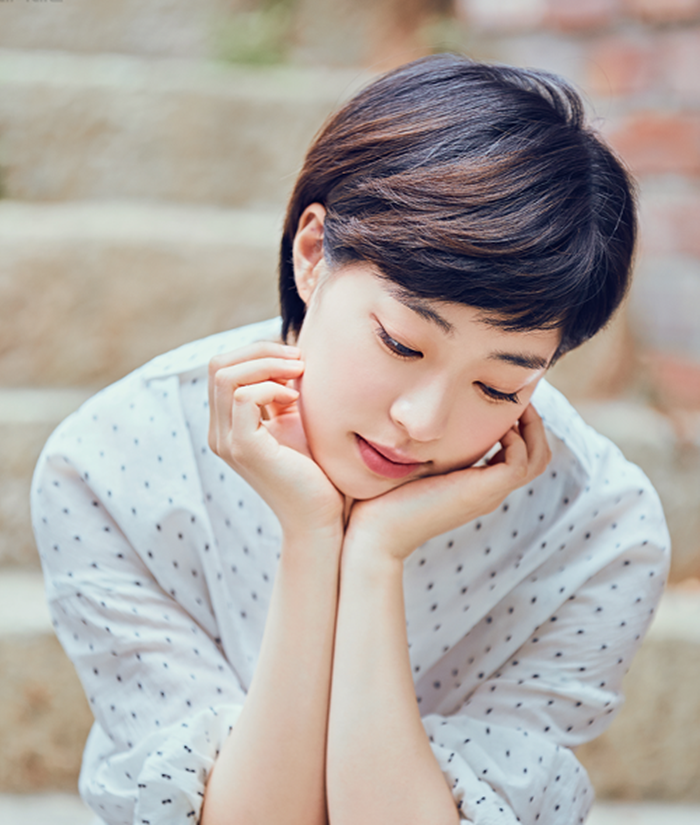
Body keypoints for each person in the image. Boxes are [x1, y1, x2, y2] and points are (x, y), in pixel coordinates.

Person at [32, 54, 670, 825]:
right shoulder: (111, 464)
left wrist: (375, 557)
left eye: (501, 385)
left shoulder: (598, 528)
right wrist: (311, 536)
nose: (422, 420)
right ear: (312, 253)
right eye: (402, 344)